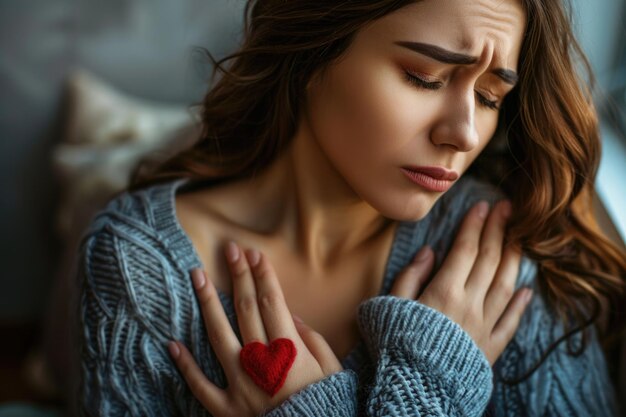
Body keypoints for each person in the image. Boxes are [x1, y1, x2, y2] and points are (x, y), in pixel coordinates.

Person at [77, 0, 626, 415]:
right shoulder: (139, 263)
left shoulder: (489, 253)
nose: (462, 133)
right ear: (314, 52)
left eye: (489, 98)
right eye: (423, 77)